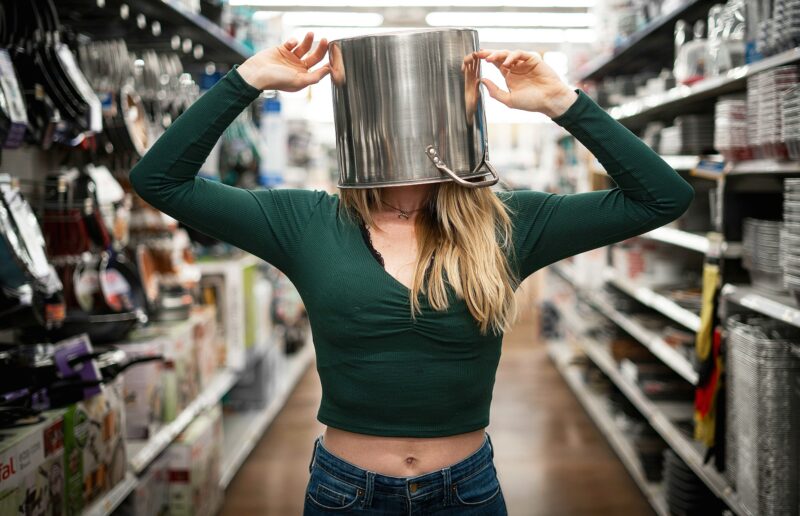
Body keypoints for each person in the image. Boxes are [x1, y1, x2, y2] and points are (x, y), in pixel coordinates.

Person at [130, 31, 693, 515]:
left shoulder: (512, 224)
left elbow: (661, 198)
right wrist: (246, 80)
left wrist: (563, 102)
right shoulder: (304, 221)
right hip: (345, 490)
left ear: (469, 107)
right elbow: (160, 180)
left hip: (466, 489)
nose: (410, 115)